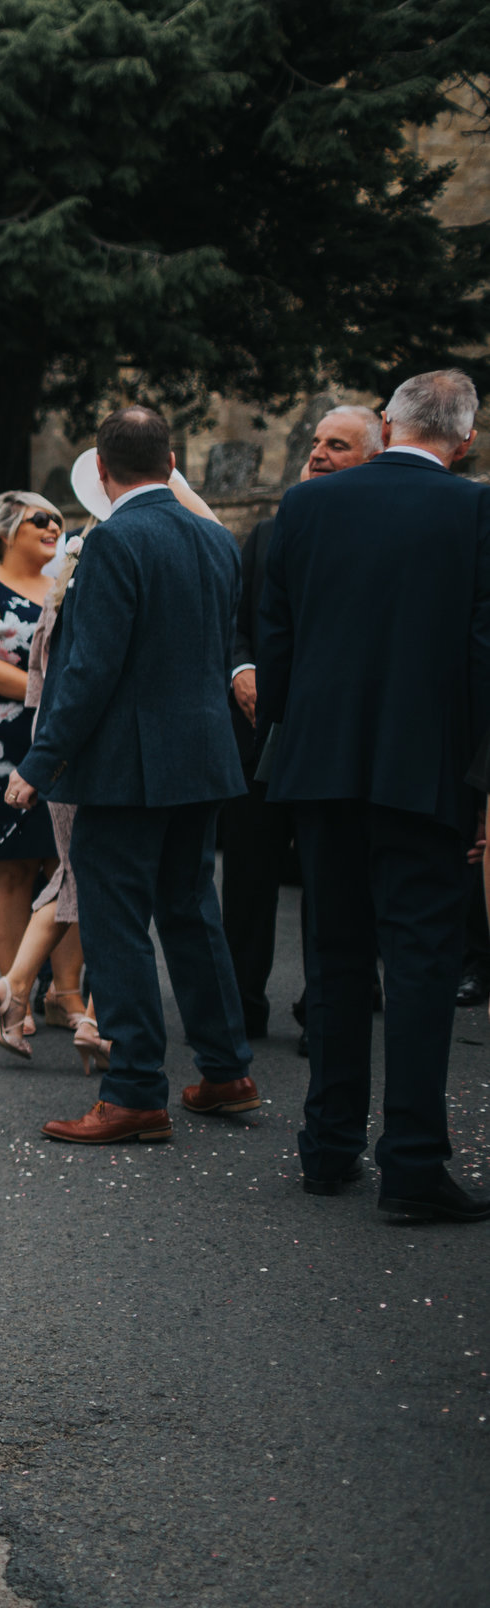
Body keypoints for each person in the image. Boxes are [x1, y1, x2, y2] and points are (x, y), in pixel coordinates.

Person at [257, 369, 490, 1223]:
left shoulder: (306, 508)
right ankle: (413, 1164)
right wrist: (482, 784)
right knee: (422, 966)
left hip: (318, 765)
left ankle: (327, 1147)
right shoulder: (476, 512)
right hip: (423, 772)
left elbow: (275, 642)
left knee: (335, 951)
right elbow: (483, 656)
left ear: (387, 427)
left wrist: (287, 736)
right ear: (463, 440)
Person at [6, 407, 256, 1144]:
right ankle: (226, 1069)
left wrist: (40, 760)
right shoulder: (217, 541)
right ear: (173, 459)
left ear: (104, 472)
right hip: (204, 758)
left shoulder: (114, 541)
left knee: (115, 921)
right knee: (189, 910)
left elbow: (89, 669)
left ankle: (135, 1089)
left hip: (125, 768)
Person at [224, 408, 382, 1045]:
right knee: (246, 879)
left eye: (336, 445)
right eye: (315, 442)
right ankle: (237, 1008)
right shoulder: (266, 532)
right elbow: (234, 620)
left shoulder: (383, 537)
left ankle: (326, 1009)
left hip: (336, 741)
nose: (316, 453)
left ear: (373, 459)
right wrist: (240, 667)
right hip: (259, 733)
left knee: (331, 881)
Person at [0, 492, 79, 1047]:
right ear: (6, 531)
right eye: (40, 519)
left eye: (58, 518)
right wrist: (55, 694)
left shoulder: (67, 586)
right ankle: (15, 989)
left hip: (63, 739)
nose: (55, 525)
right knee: (7, 865)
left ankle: (65, 994)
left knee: (66, 865)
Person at [0, 537, 107, 1068]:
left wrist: (41, 758)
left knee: (74, 874)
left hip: (55, 745)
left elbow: (38, 686)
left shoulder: (57, 598)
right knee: (110, 880)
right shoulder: (104, 590)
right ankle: (102, 1019)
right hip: (93, 749)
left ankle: (14, 988)